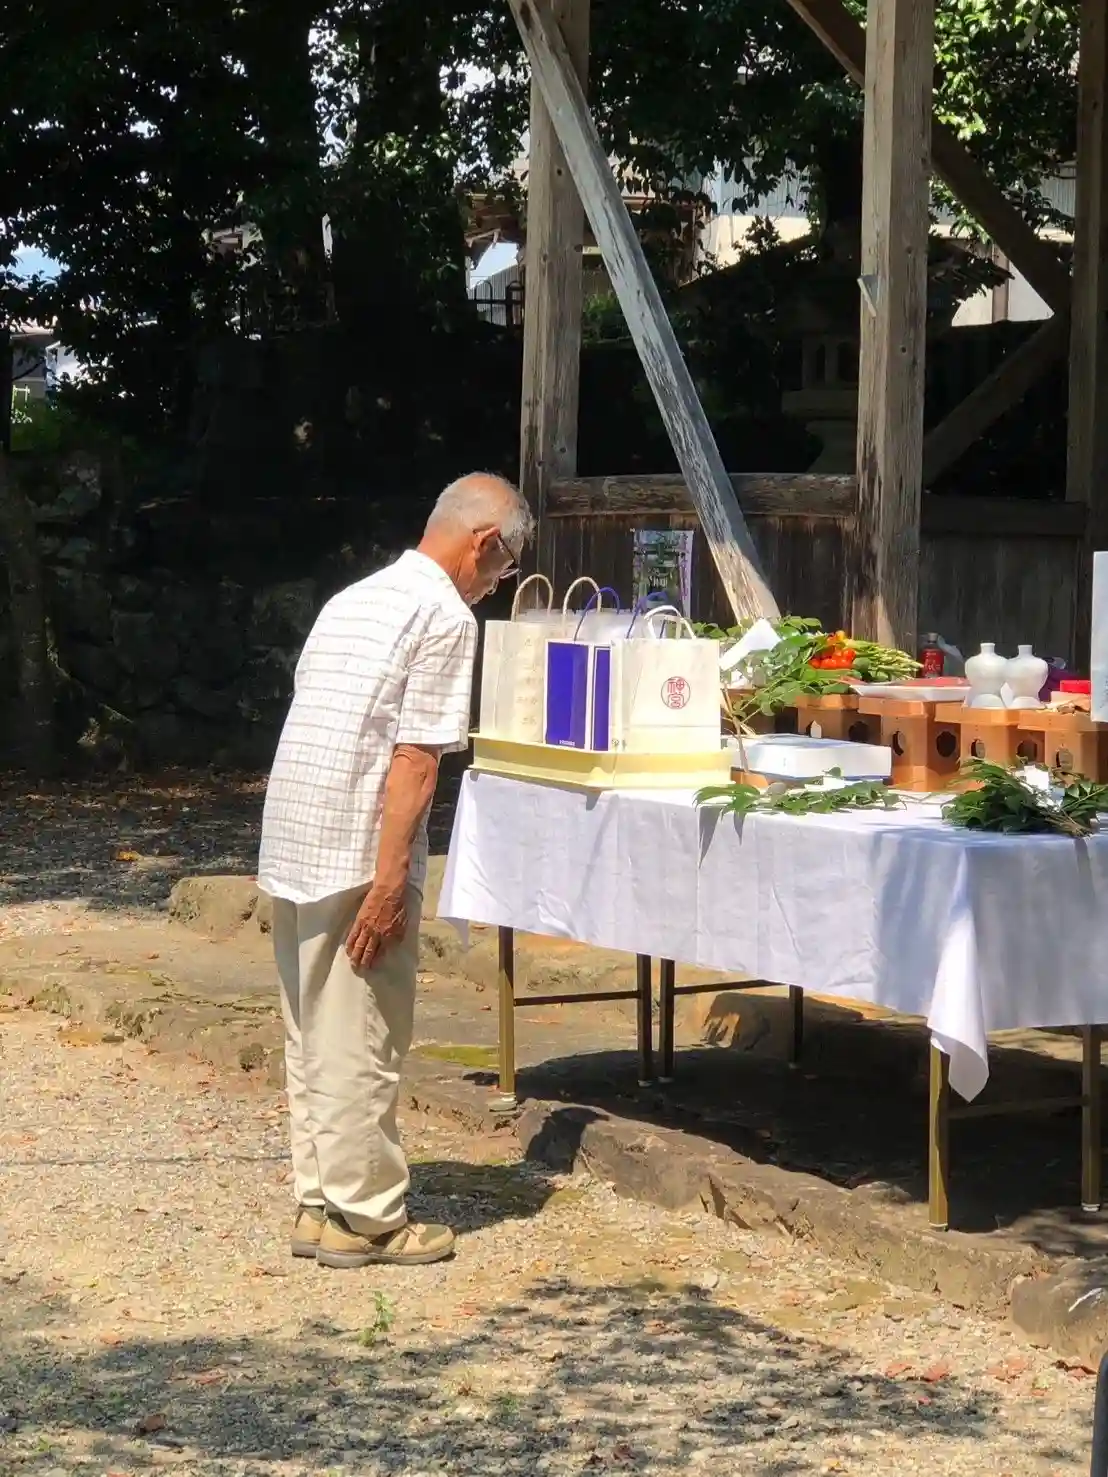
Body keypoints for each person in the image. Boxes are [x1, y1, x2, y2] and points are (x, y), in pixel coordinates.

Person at [258, 472, 534, 1269]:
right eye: (505, 566)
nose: (497, 584)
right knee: (362, 1033)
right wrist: (388, 883)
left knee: (312, 1030)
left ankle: (321, 1200)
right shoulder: (444, 614)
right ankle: (369, 1217)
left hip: (296, 833)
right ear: (486, 543)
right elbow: (416, 759)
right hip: (356, 841)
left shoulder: (355, 598)